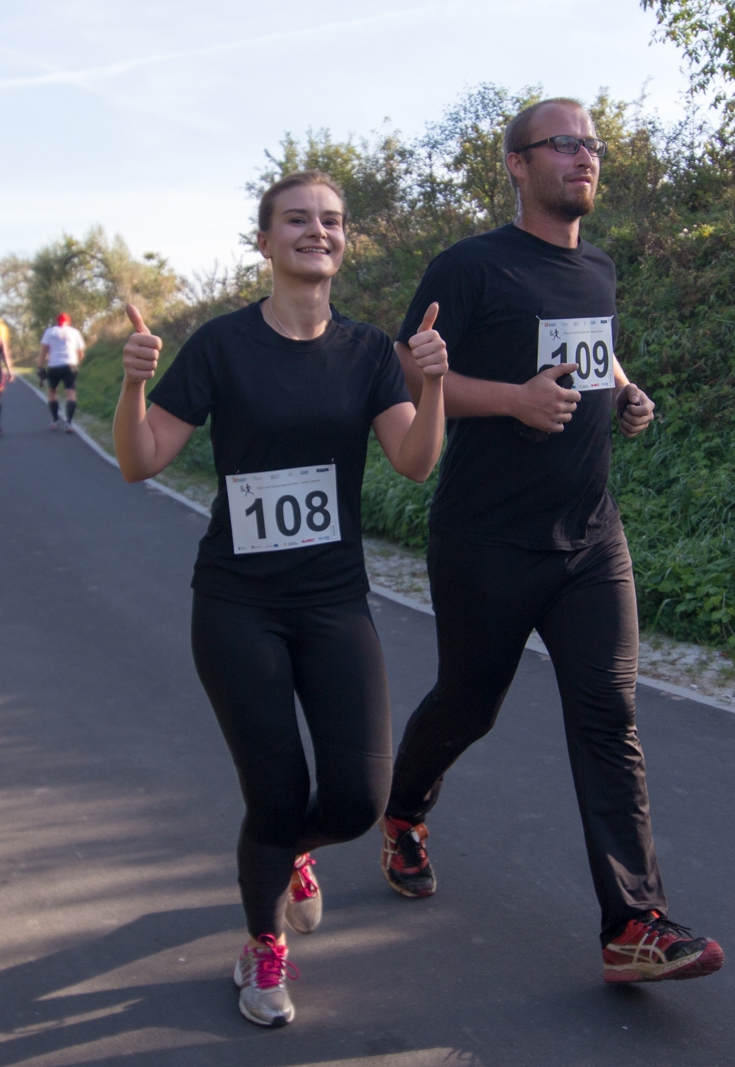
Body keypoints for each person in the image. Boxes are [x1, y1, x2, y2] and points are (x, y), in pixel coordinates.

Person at [379, 98, 726, 985]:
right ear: (517, 164)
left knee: (609, 717)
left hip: (589, 540)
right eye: (564, 143)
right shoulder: (470, 266)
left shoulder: (598, 268)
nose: (586, 156)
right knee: (469, 702)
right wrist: (515, 400)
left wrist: (627, 390)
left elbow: (592, 354)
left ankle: (633, 922)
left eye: (593, 145)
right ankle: (404, 811)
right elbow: (410, 372)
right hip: (487, 539)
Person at [114, 170, 447, 1028]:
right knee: (273, 791)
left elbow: (414, 460)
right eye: (296, 220)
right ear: (263, 242)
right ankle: (263, 947)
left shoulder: (372, 351)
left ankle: (295, 854)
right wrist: (129, 388)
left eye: (330, 221)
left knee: (356, 799)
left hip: (334, 600)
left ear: (345, 239)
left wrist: (435, 384)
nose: (316, 232)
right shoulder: (222, 347)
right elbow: (141, 458)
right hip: (237, 605)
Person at [39, 313, 86, 433]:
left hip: (54, 366)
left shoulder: (50, 332)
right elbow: (80, 352)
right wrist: (77, 363)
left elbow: (44, 350)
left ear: (56, 321)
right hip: (70, 364)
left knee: (52, 392)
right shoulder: (74, 332)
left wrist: (40, 366)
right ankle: (69, 422)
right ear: (68, 321)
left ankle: (55, 420)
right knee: (70, 393)